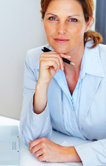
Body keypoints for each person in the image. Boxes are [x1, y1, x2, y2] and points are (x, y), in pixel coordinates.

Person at [20, 0, 106, 165]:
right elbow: (32, 140)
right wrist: (42, 86)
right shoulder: (34, 59)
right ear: (43, 19)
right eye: (52, 18)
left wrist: (70, 153)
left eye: (72, 20)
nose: (60, 30)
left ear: (88, 22)